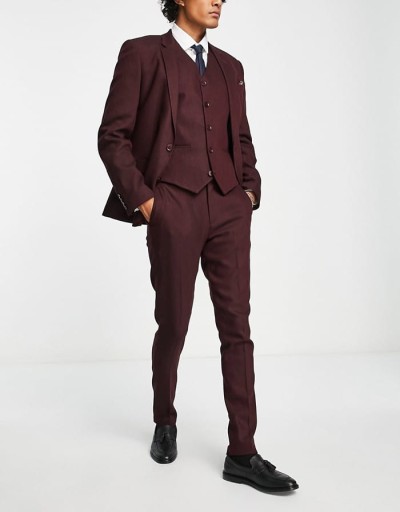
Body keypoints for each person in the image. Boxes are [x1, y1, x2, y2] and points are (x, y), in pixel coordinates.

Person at [97, 0, 298, 493]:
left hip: (228, 207)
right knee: (174, 322)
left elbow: (241, 138)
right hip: (172, 206)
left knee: (237, 327)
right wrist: (147, 202)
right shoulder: (142, 54)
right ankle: (165, 420)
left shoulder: (231, 67)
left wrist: (249, 191)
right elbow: (112, 136)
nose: (218, 2)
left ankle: (243, 452)